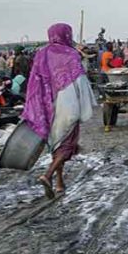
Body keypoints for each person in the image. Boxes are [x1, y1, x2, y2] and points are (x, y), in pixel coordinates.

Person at [22, 23, 96, 199]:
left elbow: (34, 81)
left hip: (46, 104)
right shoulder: (71, 54)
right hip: (66, 103)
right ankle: (48, 175)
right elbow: (80, 81)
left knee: (56, 143)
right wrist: (84, 103)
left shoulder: (41, 54)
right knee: (67, 144)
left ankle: (60, 182)